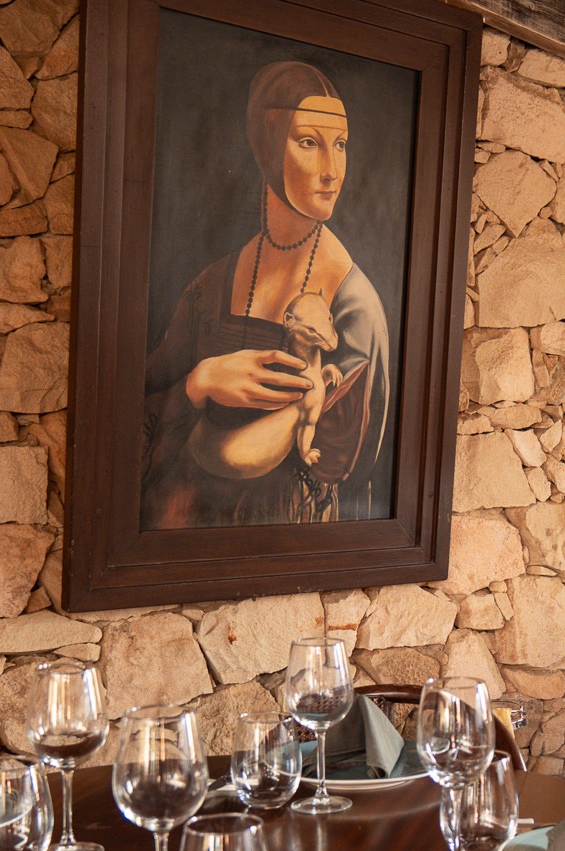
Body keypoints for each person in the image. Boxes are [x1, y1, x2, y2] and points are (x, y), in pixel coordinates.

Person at [142, 60, 393, 530]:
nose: (331, 170)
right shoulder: (211, 285)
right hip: (176, 536)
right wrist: (201, 382)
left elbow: (350, 474)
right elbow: (138, 413)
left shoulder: (355, 308)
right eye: (309, 142)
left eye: (340, 145)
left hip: (286, 547)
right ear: (268, 145)